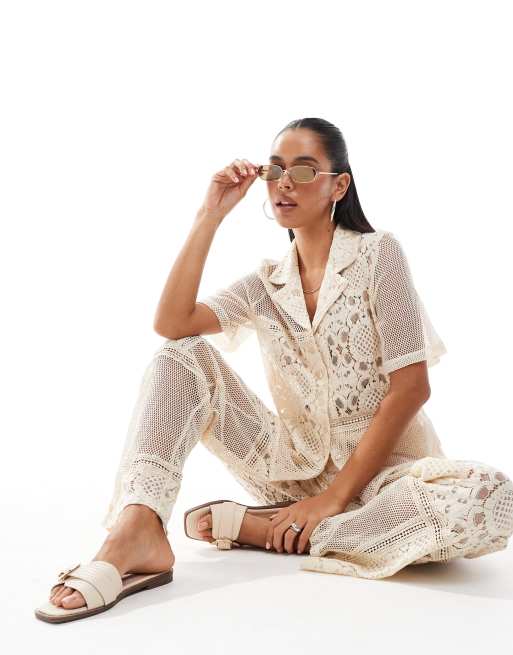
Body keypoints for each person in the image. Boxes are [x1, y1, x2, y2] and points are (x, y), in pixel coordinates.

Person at [46, 117, 513, 610]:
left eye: (304, 170)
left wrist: (332, 500)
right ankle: (139, 525)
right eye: (274, 170)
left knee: (489, 498)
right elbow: (173, 322)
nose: (284, 182)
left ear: (339, 186)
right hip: (291, 471)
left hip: (386, 480)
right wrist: (210, 215)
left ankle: (268, 527)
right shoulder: (265, 284)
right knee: (181, 356)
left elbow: (411, 388)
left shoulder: (379, 254)